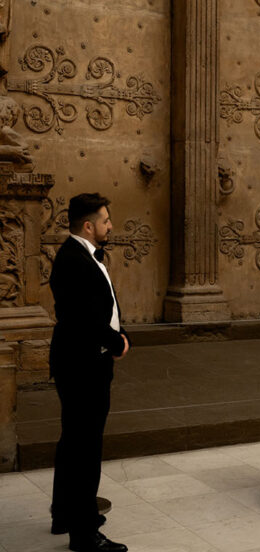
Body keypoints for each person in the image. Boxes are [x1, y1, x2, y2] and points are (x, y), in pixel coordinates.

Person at [49, 193, 130, 552]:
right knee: (85, 448)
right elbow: (83, 318)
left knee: (73, 441)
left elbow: (103, 304)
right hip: (82, 365)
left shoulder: (83, 255)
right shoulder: (74, 260)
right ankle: (84, 535)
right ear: (88, 225)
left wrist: (119, 334)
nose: (110, 225)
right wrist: (116, 343)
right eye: (106, 220)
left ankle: (65, 513)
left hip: (84, 362)